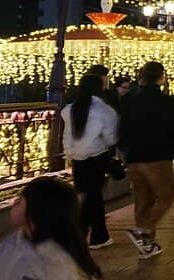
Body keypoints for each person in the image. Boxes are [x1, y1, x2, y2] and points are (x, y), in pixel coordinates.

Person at [0, 177, 102, 279]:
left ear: (37, 213)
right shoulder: (15, 240)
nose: (15, 202)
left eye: (20, 200)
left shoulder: (50, 264)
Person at [119, 61, 174, 259]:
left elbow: (122, 128)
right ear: (161, 77)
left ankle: (146, 246)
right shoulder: (165, 102)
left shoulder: (129, 101)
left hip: (134, 157)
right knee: (167, 195)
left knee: (144, 199)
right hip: (157, 156)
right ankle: (143, 230)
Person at [61, 74, 119, 249]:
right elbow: (111, 137)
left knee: (88, 194)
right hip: (97, 155)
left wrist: (70, 150)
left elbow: (67, 134)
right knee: (92, 196)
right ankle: (89, 235)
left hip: (76, 157)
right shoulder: (103, 111)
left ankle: (94, 234)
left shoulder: (70, 109)